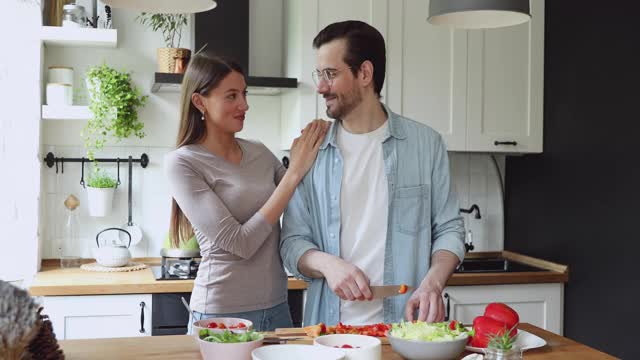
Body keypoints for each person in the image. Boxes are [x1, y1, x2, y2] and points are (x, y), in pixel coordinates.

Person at [280, 20, 465, 327]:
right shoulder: (310, 150)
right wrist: (328, 265)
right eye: (319, 74)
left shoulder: (425, 145)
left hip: (407, 329)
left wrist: (433, 282)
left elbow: (449, 228)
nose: (321, 86)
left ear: (364, 73)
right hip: (330, 332)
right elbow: (292, 244)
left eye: (331, 73)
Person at [165, 53, 328, 331]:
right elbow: (239, 242)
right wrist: (294, 172)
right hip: (220, 316)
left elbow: (305, 197)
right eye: (231, 96)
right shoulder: (183, 162)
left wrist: (320, 146)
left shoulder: (259, 151)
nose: (244, 105)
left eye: (244, 93)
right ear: (199, 101)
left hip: (277, 307)